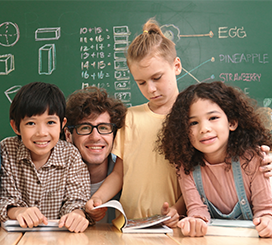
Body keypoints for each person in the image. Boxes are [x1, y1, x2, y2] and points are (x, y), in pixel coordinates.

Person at [85, 17, 272, 228]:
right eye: (141, 82)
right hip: (130, 223)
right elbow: (119, 172)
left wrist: (177, 209)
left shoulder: (194, 119)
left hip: (180, 224)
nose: (151, 89)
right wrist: (98, 198)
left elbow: (198, 175)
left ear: (176, 66)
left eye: (157, 78)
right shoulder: (130, 118)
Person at [157, 81, 272, 237]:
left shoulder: (253, 158)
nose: (204, 128)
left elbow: (265, 210)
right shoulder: (185, 165)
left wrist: (267, 221)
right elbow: (196, 210)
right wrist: (195, 222)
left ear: (231, 122)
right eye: (193, 123)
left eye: (213, 118)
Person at [0, 82, 91, 233]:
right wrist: (19, 212)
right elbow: (2, 200)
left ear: (62, 124)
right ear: (16, 127)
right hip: (16, 238)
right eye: (31, 123)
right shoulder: (6, 150)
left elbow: (76, 201)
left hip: (60, 239)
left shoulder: (70, 155)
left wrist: (76, 215)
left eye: (50, 122)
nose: (42, 133)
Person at [64, 86, 127, 223]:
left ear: (114, 135)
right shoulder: (54, 177)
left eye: (104, 128)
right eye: (85, 128)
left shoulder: (128, 176)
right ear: (68, 135)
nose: (95, 136)